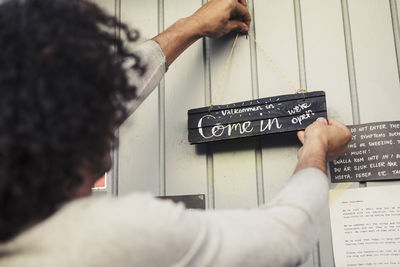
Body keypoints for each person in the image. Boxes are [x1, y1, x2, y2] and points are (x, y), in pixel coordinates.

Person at [0, 0, 352, 266]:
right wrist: (315, 149)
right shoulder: (107, 236)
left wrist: (190, 27)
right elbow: (287, 237)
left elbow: (103, 94)